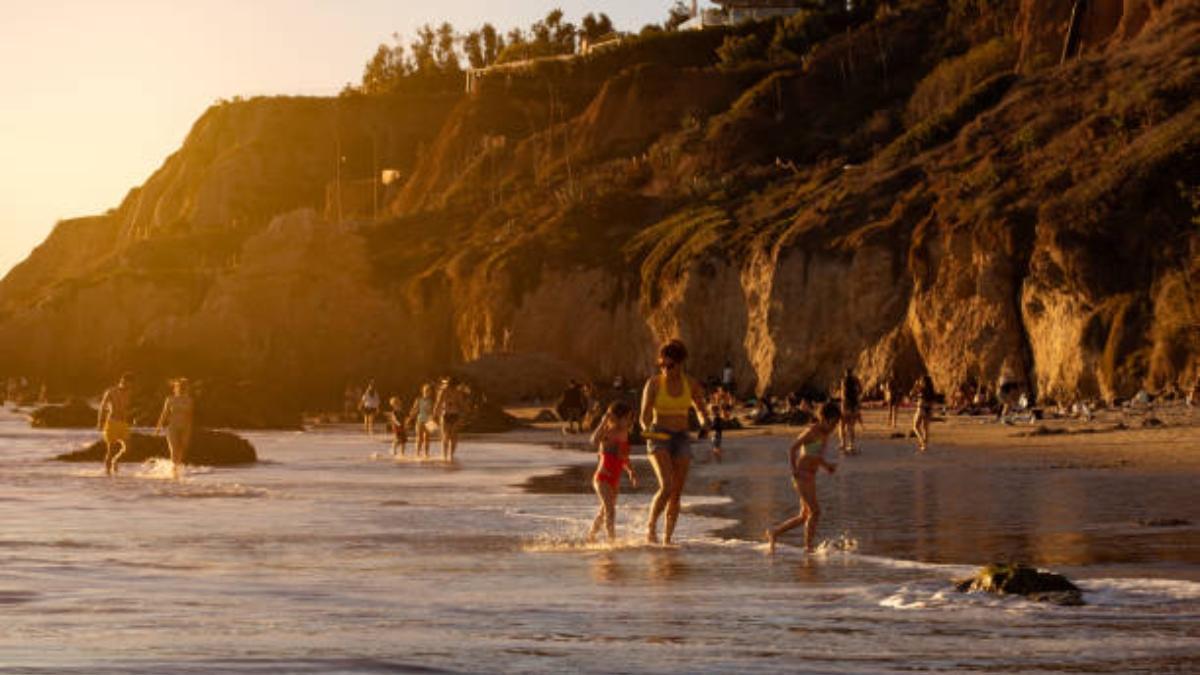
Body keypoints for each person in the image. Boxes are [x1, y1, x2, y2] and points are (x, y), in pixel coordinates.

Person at [640, 339, 709, 545]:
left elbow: (700, 410)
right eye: (661, 365)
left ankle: (668, 540)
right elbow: (643, 418)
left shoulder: (691, 384)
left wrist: (705, 423)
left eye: (669, 365)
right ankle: (651, 526)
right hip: (658, 435)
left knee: (677, 492)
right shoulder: (653, 383)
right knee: (667, 485)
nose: (665, 369)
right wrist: (649, 435)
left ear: (680, 364)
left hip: (681, 437)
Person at [766, 401, 841, 554]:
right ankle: (808, 548)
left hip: (811, 476)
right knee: (815, 512)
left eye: (837, 424)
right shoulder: (811, 431)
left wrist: (827, 466)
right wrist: (793, 470)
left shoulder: (825, 434)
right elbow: (793, 448)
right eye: (833, 423)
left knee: (804, 515)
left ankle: (774, 533)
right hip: (802, 476)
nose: (835, 427)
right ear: (824, 419)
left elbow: (814, 455)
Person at [587, 401, 639, 543]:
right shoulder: (608, 432)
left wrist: (631, 471)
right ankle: (612, 541)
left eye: (630, 418)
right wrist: (603, 421)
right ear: (617, 417)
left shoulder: (624, 433)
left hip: (614, 480)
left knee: (604, 511)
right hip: (602, 478)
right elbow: (593, 440)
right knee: (610, 510)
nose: (629, 420)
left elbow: (624, 457)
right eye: (627, 417)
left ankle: (591, 536)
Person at [155, 378, 194, 480]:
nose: (181, 389)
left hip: (184, 427)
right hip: (172, 427)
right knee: (173, 449)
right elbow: (164, 413)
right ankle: (174, 471)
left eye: (183, 387)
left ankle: (176, 467)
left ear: (186, 388)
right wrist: (158, 427)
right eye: (179, 387)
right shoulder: (170, 399)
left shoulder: (189, 400)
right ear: (176, 388)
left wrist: (189, 431)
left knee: (181, 448)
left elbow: (190, 417)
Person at [98, 373, 134, 476]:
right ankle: (107, 473)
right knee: (111, 449)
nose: (129, 386)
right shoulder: (111, 391)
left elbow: (126, 407)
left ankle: (115, 460)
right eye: (128, 384)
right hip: (112, 422)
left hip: (124, 423)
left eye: (131, 385)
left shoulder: (129, 392)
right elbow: (102, 406)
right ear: (123, 381)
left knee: (128, 448)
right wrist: (100, 421)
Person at [434, 378, 468, 461]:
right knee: (452, 436)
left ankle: (445, 455)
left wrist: (434, 414)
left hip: (447, 414)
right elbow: (462, 405)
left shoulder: (444, 391)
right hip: (453, 415)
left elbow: (438, 403)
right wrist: (465, 413)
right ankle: (450, 455)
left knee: (446, 436)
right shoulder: (457, 392)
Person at [838, 368, 863, 454]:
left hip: (845, 405)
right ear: (852, 373)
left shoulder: (843, 381)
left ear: (845, 373)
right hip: (854, 405)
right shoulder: (856, 380)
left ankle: (843, 443)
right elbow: (860, 390)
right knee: (851, 427)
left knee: (841, 425)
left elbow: (842, 394)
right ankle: (851, 445)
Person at [407, 384, 436, 459]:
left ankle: (426, 454)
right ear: (423, 391)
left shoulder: (432, 401)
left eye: (429, 390)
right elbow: (414, 409)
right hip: (420, 419)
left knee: (427, 438)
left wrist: (434, 419)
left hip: (429, 421)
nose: (427, 391)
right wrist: (410, 418)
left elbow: (434, 411)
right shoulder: (418, 399)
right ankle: (417, 453)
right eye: (426, 390)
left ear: (430, 392)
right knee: (419, 438)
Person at [708, 385, 734, 463]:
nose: (720, 392)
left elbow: (728, 408)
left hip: (718, 420)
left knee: (717, 437)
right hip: (716, 420)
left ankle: (717, 452)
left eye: (721, 390)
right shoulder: (716, 399)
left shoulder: (723, 399)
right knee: (716, 436)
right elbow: (713, 407)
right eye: (719, 390)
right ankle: (716, 452)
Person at [911, 374, 936, 452]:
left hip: (921, 408)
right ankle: (924, 445)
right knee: (925, 428)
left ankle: (922, 441)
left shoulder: (921, 389)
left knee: (915, 426)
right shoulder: (931, 390)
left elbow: (911, 393)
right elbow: (933, 401)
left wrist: (915, 385)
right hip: (929, 409)